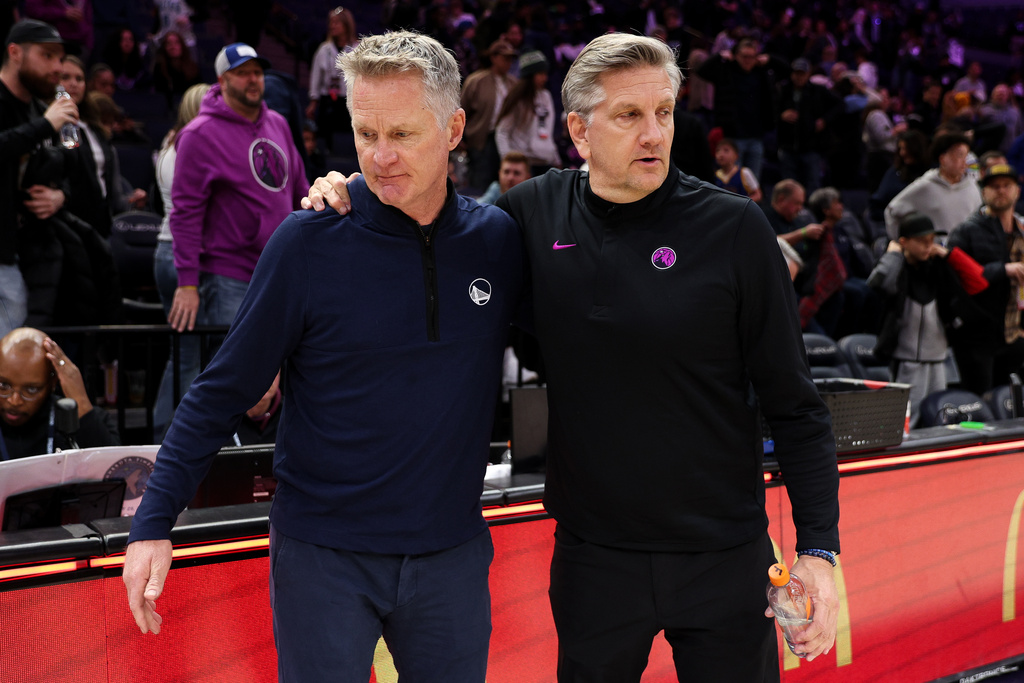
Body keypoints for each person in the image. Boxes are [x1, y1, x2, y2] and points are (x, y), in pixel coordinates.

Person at [308, 32, 841, 682]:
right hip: (596, 560)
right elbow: (431, 233)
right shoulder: (530, 213)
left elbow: (796, 404)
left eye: (663, 113)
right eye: (629, 116)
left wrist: (818, 548)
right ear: (580, 132)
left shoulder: (734, 229)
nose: (653, 135)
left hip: (724, 556)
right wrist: (354, 191)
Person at [123, 31, 524, 683]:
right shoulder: (308, 241)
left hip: (451, 552)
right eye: (365, 133)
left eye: (403, 133)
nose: (380, 156)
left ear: (454, 128)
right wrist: (152, 521)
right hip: (323, 555)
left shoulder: (497, 241)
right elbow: (220, 388)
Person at [165, 43, 307, 343]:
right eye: (242, 73)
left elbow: (299, 190)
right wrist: (187, 283)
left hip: (279, 271)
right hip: (229, 275)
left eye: (257, 72)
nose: (253, 79)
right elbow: (185, 214)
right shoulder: (197, 135)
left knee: (274, 371)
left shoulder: (278, 123)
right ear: (222, 81)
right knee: (233, 377)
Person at [868, 213, 989, 425]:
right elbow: (879, 284)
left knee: (940, 418)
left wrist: (947, 253)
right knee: (906, 421)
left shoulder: (937, 267)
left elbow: (979, 282)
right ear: (904, 242)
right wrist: (894, 255)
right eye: (923, 241)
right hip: (907, 362)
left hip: (940, 360)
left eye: (932, 240)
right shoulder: (898, 269)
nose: (928, 246)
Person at [0, 18, 77, 336]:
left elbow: (64, 171)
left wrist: (60, 196)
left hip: (22, 250)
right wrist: (45, 126)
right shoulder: (39, 118)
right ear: (15, 52)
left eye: (60, 58)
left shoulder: (37, 111)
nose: (57, 67)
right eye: (47, 56)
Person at [150, 82, 209, 442]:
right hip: (180, 254)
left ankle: (165, 440)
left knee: (185, 354)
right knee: (188, 356)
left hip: (168, 251)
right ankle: (167, 443)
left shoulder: (173, 141)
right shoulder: (189, 144)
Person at [946, 164, 1024, 395]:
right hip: (977, 336)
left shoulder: (1021, 230)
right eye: (994, 186)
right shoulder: (967, 231)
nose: (1001, 191)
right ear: (983, 192)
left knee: (1008, 404)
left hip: (1012, 333)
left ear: (1017, 191)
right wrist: (1003, 269)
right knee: (981, 401)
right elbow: (956, 279)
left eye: (1006, 186)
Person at [0, 327, 119, 460]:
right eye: (3, 386)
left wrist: (81, 402)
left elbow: (113, 468)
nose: (14, 401)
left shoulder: (84, 418)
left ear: (53, 382)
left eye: (31, 390)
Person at [60, 55, 146, 238]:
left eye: (79, 78)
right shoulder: (49, 124)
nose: (73, 84)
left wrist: (131, 201)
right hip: (65, 227)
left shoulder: (94, 129)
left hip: (98, 227)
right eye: (65, 77)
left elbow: (111, 194)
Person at [697, 37, 786, 181]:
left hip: (756, 136)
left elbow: (787, 71)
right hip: (733, 136)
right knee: (732, 182)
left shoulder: (762, 73)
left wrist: (770, 59)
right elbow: (701, 71)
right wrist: (720, 56)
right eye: (744, 56)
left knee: (753, 183)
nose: (748, 60)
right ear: (736, 55)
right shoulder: (726, 71)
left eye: (752, 56)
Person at [884, 131, 983, 241]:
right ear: (943, 159)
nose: (965, 162)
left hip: (967, 254)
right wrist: (902, 244)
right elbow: (892, 211)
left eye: (966, 155)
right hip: (935, 254)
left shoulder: (973, 187)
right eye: (959, 155)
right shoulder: (926, 186)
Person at [775, 57, 842, 195]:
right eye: (796, 73)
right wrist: (781, 115)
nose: (799, 77)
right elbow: (768, 109)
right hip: (787, 147)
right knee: (788, 187)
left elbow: (840, 105)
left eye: (802, 73)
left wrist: (824, 120)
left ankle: (810, 215)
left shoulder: (818, 90)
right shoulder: (782, 89)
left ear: (808, 74)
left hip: (811, 147)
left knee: (813, 185)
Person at [460, 39, 517, 192]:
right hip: (481, 139)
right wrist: (460, 139)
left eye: (510, 59)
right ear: (493, 57)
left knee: (505, 182)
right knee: (480, 183)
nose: (508, 62)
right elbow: (460, 109)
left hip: (507, 138)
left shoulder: (513, 83)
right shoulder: (476, 81)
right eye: (505, 58)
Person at [494, 50, 561, 176]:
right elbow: (502, 132)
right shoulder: (518, 99)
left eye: (545, 73)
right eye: (540, 74)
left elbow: (547, 129)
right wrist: (508, 161)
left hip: (545, 161)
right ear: (530, 75)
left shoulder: (546, 96)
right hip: (525, 163)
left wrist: (555, 157)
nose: (544, 78)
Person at [306, 6, 357, 153]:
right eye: (331, 22)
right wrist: (313, 101)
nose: (332, 26)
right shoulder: (324, 49)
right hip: (328, 99)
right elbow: (316, 77)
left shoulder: (357, 48)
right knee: (325, 136)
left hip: (349, 100)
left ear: (346, 25)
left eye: (336, 23)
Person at [713, 137, 762, 202]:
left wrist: (743, 203)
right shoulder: (715, 175)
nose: (721, 154)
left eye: (726, 150)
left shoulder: (744, 172)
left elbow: (758, 195)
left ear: (736, 155)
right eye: (718, 151)